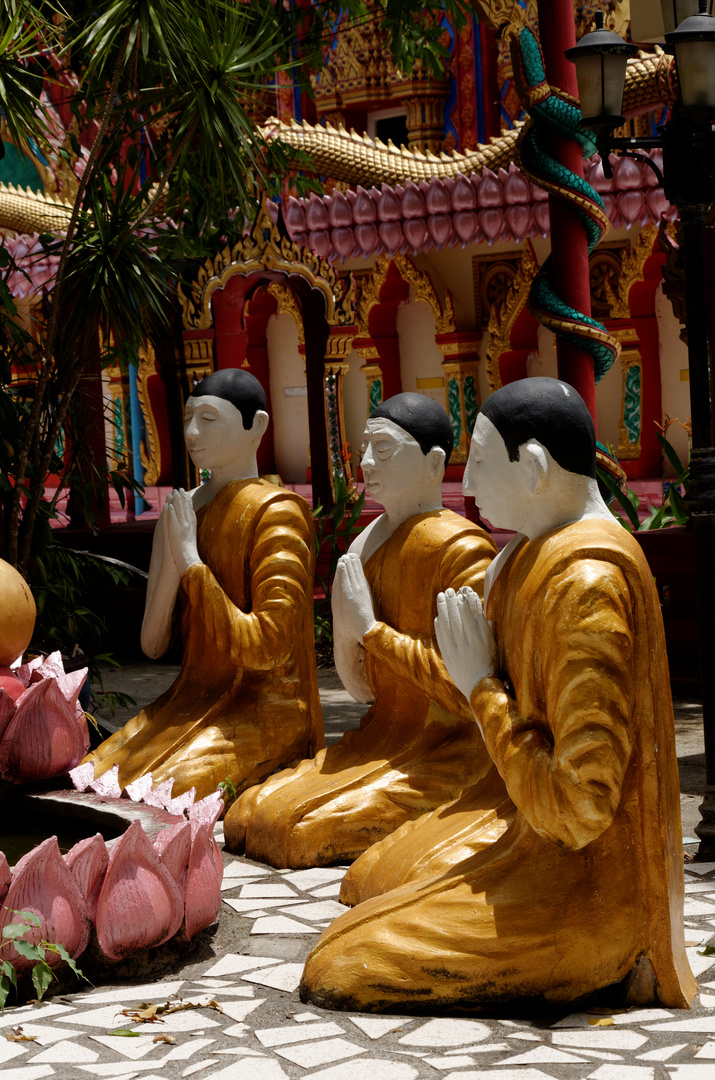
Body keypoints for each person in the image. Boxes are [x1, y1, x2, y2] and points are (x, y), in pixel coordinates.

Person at [300, 378, 695, 1012]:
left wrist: (479, 684)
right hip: (527, 827)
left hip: (589, 884)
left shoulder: (588, 582)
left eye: (480, 461)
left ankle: (617, 957)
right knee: (370, 884)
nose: (470, 486)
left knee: (345, 960)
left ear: (534, 467)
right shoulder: (525, 557)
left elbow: (580, 811)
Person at [224, 392, 498, 867]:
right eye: (366, 448)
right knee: (249, 813)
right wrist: (350, 631)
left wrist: (371, 630)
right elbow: (360, 689)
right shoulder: (366, 545)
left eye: (385, 450)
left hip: (450, 746)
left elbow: (470, 693)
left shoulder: (464, 551)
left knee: (295, 831)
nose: (367, 462)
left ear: (434, 463)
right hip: (381, 732)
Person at [83, 368, 323, 800]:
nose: (192, 433)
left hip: (266, 708)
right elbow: (153, 645)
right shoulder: (181, 512)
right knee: (94, 774)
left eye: (209, 419)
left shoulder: (277, 512)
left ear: (258, 426)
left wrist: (192, 562)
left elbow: (268, 648)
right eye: (189, 418)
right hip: (190, 698)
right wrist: (176, 560)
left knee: (157, 789)